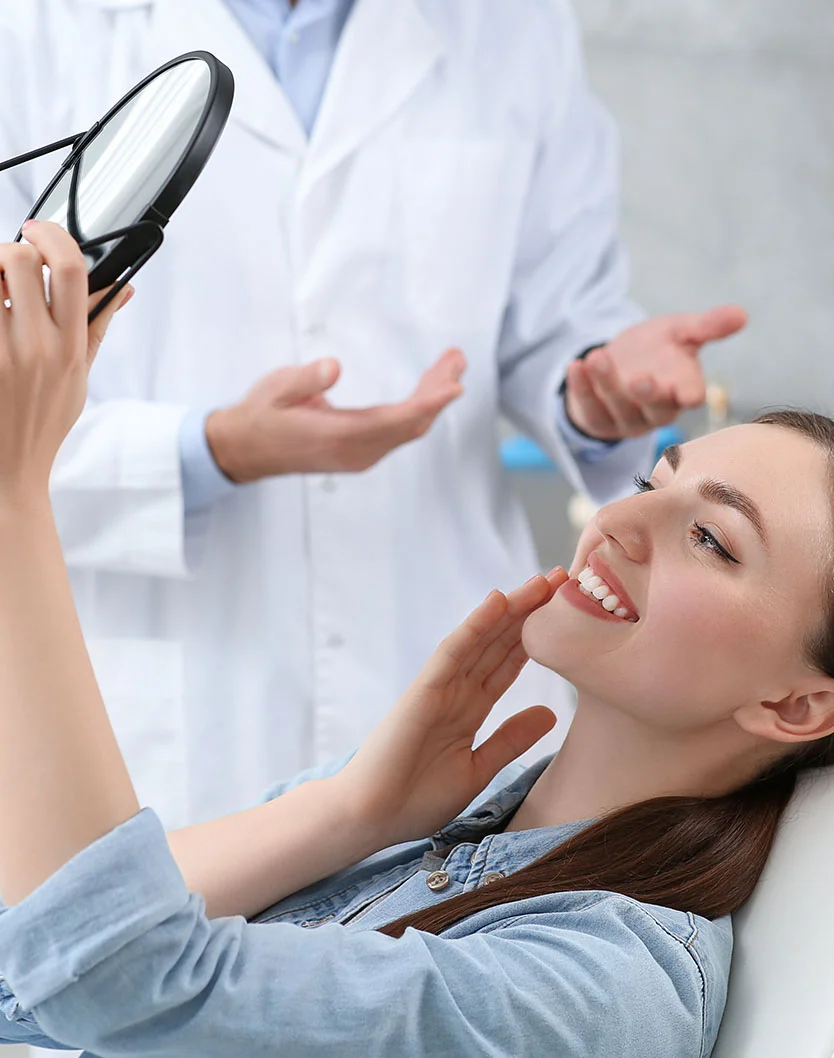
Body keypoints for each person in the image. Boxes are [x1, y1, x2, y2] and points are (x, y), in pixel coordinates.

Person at [0, 224, 830, 1058]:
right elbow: (22, 974)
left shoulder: (604, 989)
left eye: (711, 540)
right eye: (654, 480)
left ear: (796, 705)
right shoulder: (414, 814)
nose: (620, 521)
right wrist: (343, 811)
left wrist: (14, 498)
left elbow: (116, 979)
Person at [0, 0, 747, 827]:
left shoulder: (513, 25)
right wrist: (211, 451)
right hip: (169, 696)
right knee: (158, 929)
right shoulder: (34, 31)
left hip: (437, 657)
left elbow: (558, 316)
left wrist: (595, 392)